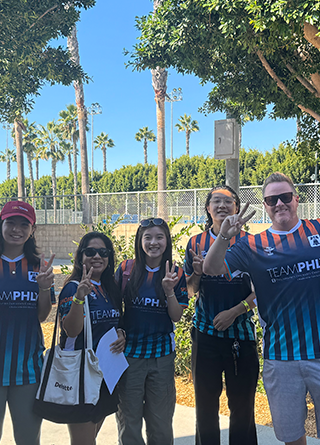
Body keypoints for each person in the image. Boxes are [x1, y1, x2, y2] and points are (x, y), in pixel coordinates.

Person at [203, 172, 320, 445]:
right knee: (291, 437)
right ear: (265, 205)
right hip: (280, 359)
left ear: (296, 199)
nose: (279, 204)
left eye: (285, 197)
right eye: (271, 199)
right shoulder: (253, 245)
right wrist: (223, 236)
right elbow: (211, 268)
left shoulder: (317, 230)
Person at [184, 186, 259, 445]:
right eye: (216, 201)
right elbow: (191, 291)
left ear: (237, 208)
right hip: (205, 336)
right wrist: (196, 274)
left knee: (243, 410)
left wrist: (236, 311)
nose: (222, 205)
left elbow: (260, 291)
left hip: (242, 336)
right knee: (205, 410)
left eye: (229, 201)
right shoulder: (195, 243)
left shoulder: (252, 243)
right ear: (208, 208)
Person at [115, 217, 188, 445]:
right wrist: (118, 330)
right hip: (129, 357)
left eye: (159, 237)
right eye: (148, 237)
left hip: (161, 358)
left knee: (161, 422)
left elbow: (176, 316)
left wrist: (169, 291)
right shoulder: (126, 269)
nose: (153, 242)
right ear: (140, 241)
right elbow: (115, 309)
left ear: (167, 240)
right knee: (129, 421)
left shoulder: (176, 273)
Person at [58, 231, 125, 445]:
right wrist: (79, 298)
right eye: (90, 251)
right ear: (81, 257)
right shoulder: (72, 287)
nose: (97, 256)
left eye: (103, 252)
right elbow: (71, 330)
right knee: (83, 441)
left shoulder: (110, 287)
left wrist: (122, 334)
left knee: (91, 436)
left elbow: (115, 322)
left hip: (106, 374)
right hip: (80, 375)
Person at [0, 201, 55, 445]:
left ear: (32, 230)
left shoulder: (38, 267)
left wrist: (44, 288)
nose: (16, 229)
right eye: (10, 222)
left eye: (24, 224)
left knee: (28, 440)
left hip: (28, 371)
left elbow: (42, 316)